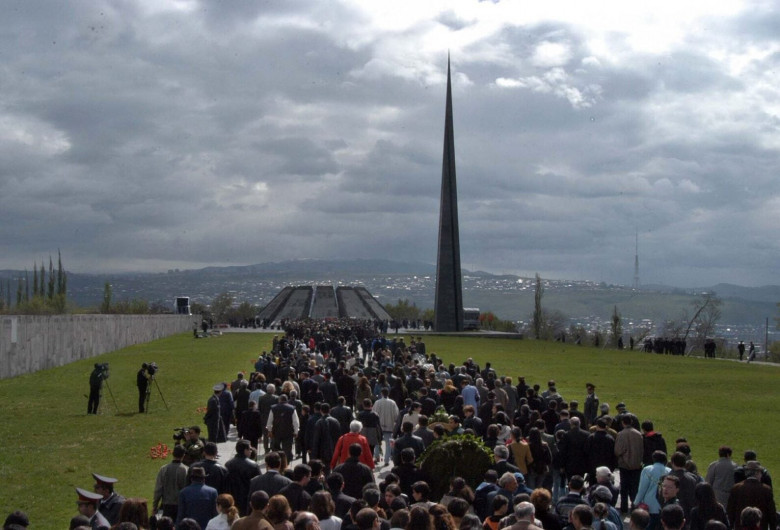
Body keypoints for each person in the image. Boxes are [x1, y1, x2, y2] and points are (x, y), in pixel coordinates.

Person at [726, 461, 776, 530]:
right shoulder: (766, 489)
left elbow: (730, 511)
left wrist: (730, 526)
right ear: (757, 473)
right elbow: (772, 513)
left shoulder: (736, 488)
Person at [634, 451, 670, 530]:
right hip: (663, 506)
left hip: (649, 506)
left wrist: (636, 502)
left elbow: (642, 488)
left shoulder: (648, 469)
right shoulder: (669, 471)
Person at [153, 444, 188, 520]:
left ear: (173, 453)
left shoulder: (163, 469)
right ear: (183, 455)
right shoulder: (185, 470)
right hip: (180, 505)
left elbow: (158, 490)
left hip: (166, 505)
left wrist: (155, 506)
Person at [226, 440, 261, 516]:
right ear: (245, 450)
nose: (251, 451)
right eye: (250, 449)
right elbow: (259, 483)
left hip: (232, 498)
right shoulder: (253, 465)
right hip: (247, 499)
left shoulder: (228, 464)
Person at [268, 394, 300, 463]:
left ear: (279, 400)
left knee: (276, 449)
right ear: (287, 400)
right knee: (287, 449)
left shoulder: (273, 408)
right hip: (288, 432)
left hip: (276, 431)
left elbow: (269, 420)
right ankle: (286, 463)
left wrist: (269, 430)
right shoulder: (292, 408)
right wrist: (296, 431)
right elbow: (296, 421)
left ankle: (276, 463)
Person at [372, 388, 399, 467]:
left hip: (378, 426)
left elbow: (373, 413)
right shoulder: (392, 402)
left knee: (377, 442)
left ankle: (377, 457)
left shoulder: (377, 402)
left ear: (381, 393)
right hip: (389, 425)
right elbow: (396, 415)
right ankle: (386, 460)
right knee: (388, 444)